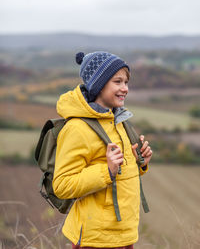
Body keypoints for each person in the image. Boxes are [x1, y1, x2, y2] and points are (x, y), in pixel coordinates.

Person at [52, 51, 153, 249]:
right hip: (95, 239)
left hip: (123, 235)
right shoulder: (77, 128)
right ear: (99, 84)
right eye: (118, 82)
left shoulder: (119, 121)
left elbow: (120, 172)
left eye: (126, 82)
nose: (125, 89)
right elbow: (62, 185)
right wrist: (106, 171)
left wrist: (140, 162)